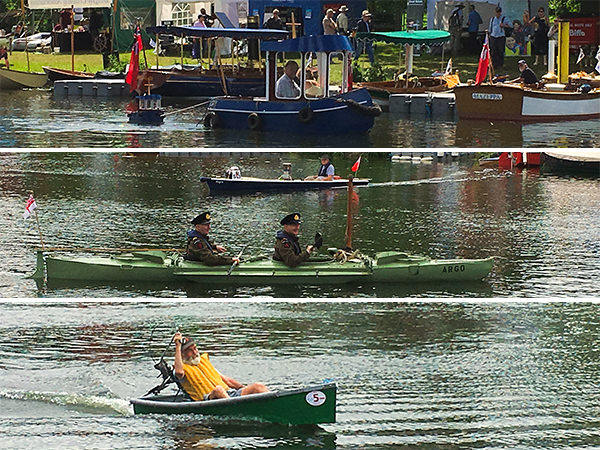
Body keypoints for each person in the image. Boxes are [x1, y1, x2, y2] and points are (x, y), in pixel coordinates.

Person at [173, 332, 269, 401]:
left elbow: (227, 380)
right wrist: (178, 346)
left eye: (195, 348)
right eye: (190, 350)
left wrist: (244, 389)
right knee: (218, 389)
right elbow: (179, 373)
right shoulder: (181, 369)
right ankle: (238, 409)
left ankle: (274, 403)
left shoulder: (203, 363)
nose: (195, 352)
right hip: (209, 399)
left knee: (258, 386)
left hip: (229, 394)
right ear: (182, 354)